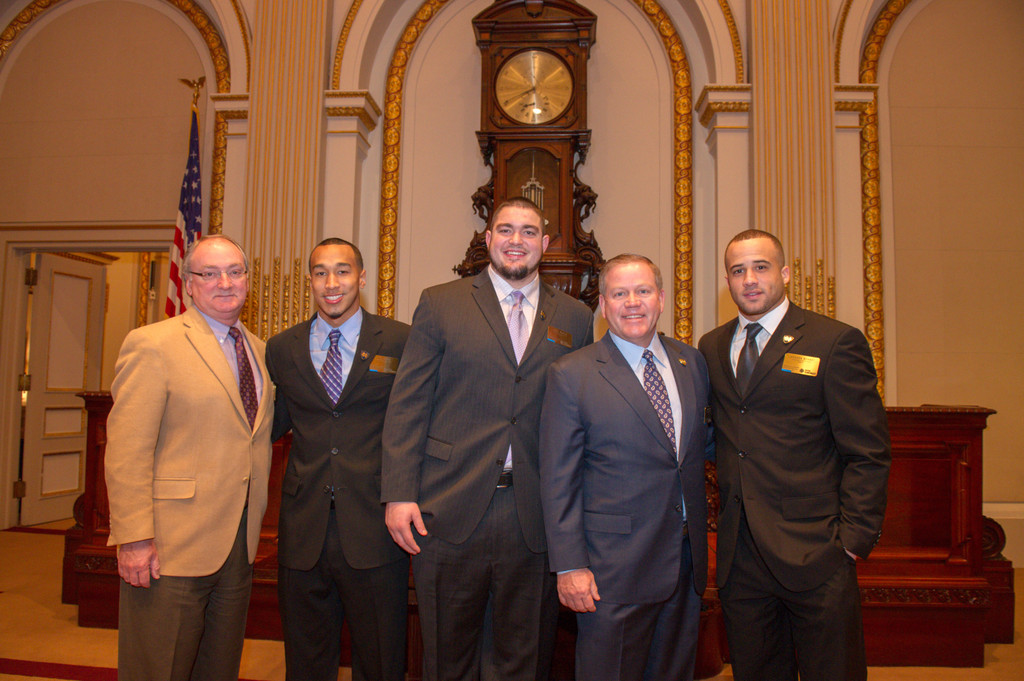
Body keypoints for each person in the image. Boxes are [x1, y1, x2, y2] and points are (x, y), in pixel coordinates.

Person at [382, 196, 594, 680]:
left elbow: (579, 417)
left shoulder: (576, 318)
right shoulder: (441, 302)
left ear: (544, 243)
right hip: (448, 510)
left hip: (534, 516)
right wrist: (398, 493)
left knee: (526, 657)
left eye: (527, 231)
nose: (515, 240)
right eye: (505, 230)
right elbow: (408, 404)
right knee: (447, 656)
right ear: (488, 238)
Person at [697, 229, 890, 681]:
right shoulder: (710, 346)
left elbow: (869, 451)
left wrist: (853, 540)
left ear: (784, 273)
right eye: (738, 270)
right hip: (741, 557)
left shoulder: (834, 341)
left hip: (817, 550)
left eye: (760, 267)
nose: (749, 279)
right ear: (727, 280)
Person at [105, 234, 274, 681]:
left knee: (218, 669)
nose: (225, 282)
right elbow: (126, 451)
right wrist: (135, 538)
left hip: (237, 545)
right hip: (169, 547)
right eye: (210, 273)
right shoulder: (152, 344)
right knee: (157, 668)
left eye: (235, 272)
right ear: (190, 283)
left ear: (247, 281)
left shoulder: (259, 351)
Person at [539, 253, 713, 681]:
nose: (632, 302)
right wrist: (569, 565)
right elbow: (558, 479)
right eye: (619, 293)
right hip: (610, 570)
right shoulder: (572, 374)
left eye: (642, 291)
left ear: (662, 299)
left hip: (684, 563)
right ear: (602, 304)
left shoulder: (692, 363)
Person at [266, 238, 410, 681]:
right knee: (306, 661)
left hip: (375, 527)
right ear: (309, 280)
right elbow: (266, 428)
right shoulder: (281, 348)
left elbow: (416, 423)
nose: (332, 283)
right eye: (321, 272)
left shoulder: (401, 340)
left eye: (343, 271)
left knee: (382, 660)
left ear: (362, 278)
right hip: (302, 527)